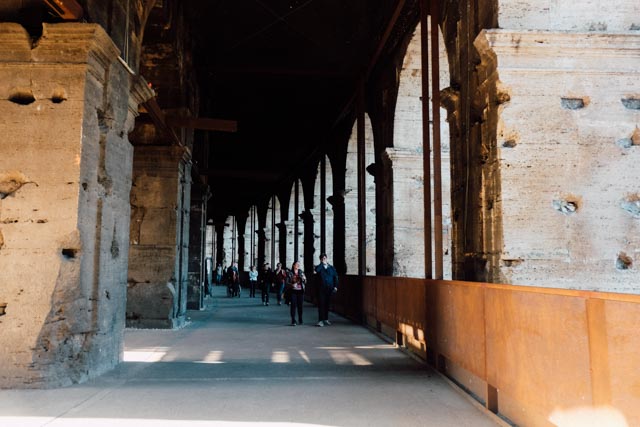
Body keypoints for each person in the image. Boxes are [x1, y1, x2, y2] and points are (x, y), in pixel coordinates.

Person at [314, 253, 338, 327]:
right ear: (320, 259)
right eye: (322, 258)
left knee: (327, 304)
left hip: (329, 288)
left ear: (327, 258)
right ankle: (320, 320)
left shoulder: (331, 267)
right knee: (321, 304)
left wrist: (335, 286)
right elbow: (317, 271)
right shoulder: (318, 267)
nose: (324, 259)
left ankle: (326, 319)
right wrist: (322, 264)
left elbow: (335, 277)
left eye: (325, 258)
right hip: (321, 289)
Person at [287, 261, 306, 326]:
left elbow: (305, 281)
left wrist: (304, 279)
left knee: (300, 306)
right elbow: (287, 283)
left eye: (299, 264)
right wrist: (292, 285)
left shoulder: (301, 272)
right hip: (293, 291)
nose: (298, 265)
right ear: (293, 265)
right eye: (297, 264)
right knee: (293, 306)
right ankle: (293, 320)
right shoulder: (290, 273)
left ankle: (300, 319)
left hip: (300, 291)